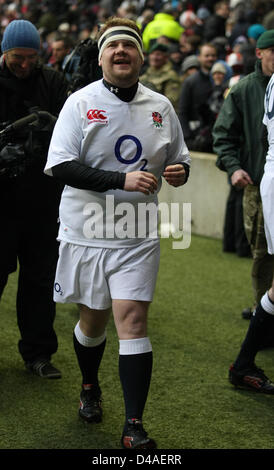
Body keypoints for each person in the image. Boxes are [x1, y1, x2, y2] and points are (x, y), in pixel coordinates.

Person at [44, 16, 190, 449]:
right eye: (113, 47)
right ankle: (89, 385)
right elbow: (61, 165)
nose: (121, 52)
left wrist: (179, 172)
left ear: (141, 57)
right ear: (103, 56)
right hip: (85, 230)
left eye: (129, 46)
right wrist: (119, 180)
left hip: (136, 234)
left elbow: (178, 160)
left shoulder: (161, 106)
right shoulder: (79, 102)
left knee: (133, 319)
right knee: (93, 322)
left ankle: (133, 425)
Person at [0, 20, 68, 378]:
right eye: (17, 58)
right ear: (4, 52)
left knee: (40, 281)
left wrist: (48, 130)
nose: (24, 65)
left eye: (30, 58)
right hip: (1, 203)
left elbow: (73, 131)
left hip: (42, 203)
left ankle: (38, 354)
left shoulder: (53, 83)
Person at [215, 30, 274, 393]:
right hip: (256, 182)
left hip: (267, 177)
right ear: (260, 53)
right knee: (263, 252)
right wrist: (233, 166)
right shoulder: (244, 89)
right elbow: (222, 135)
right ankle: (262, 314)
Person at [178, 42, 217, 152]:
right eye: (207, 56)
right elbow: (183, 111)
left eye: (213, 55)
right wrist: (187, 137)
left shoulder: (221, 80)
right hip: (197, 136)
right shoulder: (190, 82)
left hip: (216, 136)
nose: (210, 58)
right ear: (199, 57)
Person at [139, 42, 182, 113]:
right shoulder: (145, 75)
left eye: (158, 54)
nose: (154, 57)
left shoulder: (171, 76)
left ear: (166, 58)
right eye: (152, 54)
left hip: (162, 115)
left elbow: (172, 101)